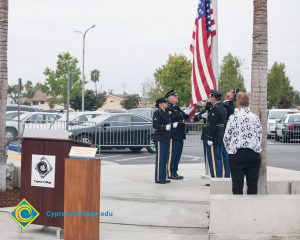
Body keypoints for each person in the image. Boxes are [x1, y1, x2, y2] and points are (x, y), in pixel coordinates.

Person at [223, 92, 262, 194]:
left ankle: (238, 208)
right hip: (253, 154)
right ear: (248, 103)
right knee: (253, 186)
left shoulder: (233, 118)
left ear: (238, 104)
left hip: (237, 154)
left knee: (237, 186)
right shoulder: (255, 118)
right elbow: (259, 136)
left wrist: (229, 150)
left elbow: (227, 137)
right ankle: (251, 208)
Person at [165, 89, 190, 180]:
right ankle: (170, 172)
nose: (177, 97)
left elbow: (185, 116)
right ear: (169, 98)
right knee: (172, 154)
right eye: (174, 96)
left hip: (179, 134)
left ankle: (175, 171)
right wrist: (183, 114)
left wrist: (189, 110)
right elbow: (173, 118)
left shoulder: (176, 107)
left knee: (177, 155)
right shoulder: (168, 108)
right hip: (173, 135)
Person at [206, 89, 228, 178]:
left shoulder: (215, 109)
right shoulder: (222, 107)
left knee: (215, 159)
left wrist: (210, 138)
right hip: (221, 136)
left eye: (211, 97)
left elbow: (213, 125)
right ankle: (220, 177)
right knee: (219, 158)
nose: (210, 98)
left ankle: (216, 178)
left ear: (214, 98)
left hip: (215, 137)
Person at [153, 97, 172, 184]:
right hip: (160, 138)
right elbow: (155, 125)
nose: (166, 104)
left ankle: (163, 177)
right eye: (164, 103)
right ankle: (158, 178)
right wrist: (164, 127)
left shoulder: (165, 112)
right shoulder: (157, 113)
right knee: (160, 159)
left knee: (165, 159)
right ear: (160, 104)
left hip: (166, 138)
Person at [193, 100, 212, 177]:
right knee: (206, 154)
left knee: (213, 154)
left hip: (213, 133)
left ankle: (212, 171)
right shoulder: (205, 110)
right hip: (205, 133)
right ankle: (207, 171)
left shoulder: (215, 109)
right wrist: (201, 116)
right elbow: (195, 119)